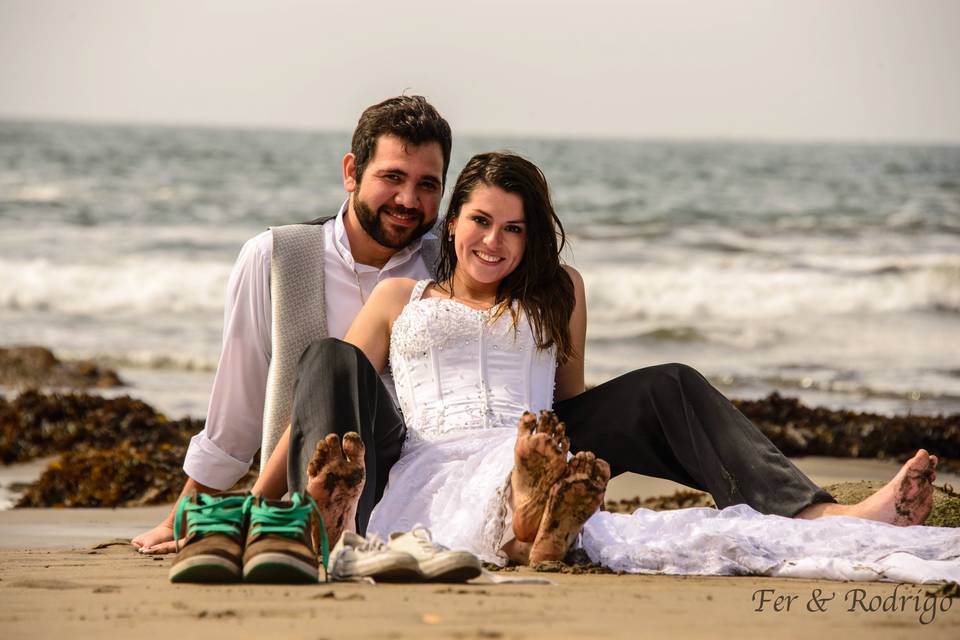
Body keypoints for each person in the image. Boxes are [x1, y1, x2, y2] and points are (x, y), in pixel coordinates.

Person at [253, 152, 951, 577]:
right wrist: (251, 500)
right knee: (327, 354)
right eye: (481, 222)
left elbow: (574, 401)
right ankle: (321, 515)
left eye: (515, 228)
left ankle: (825, 511)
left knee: (669, 382)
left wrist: (557, 449)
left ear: (533, 236)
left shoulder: (561, 292)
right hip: (424, 454)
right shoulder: (398, 296)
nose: (495, 242)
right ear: (453, 221)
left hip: (527, 437)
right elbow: (324, 389)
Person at [133, 95, 452, 554]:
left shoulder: (456, 263)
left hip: (425, 484)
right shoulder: (275, 258)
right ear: (351, 172)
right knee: (333, 359)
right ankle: (301, 526)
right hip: (313, 478)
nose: (408, 200)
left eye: (428, 185)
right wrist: (179, 516)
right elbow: (237, 409)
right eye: (392, 177)